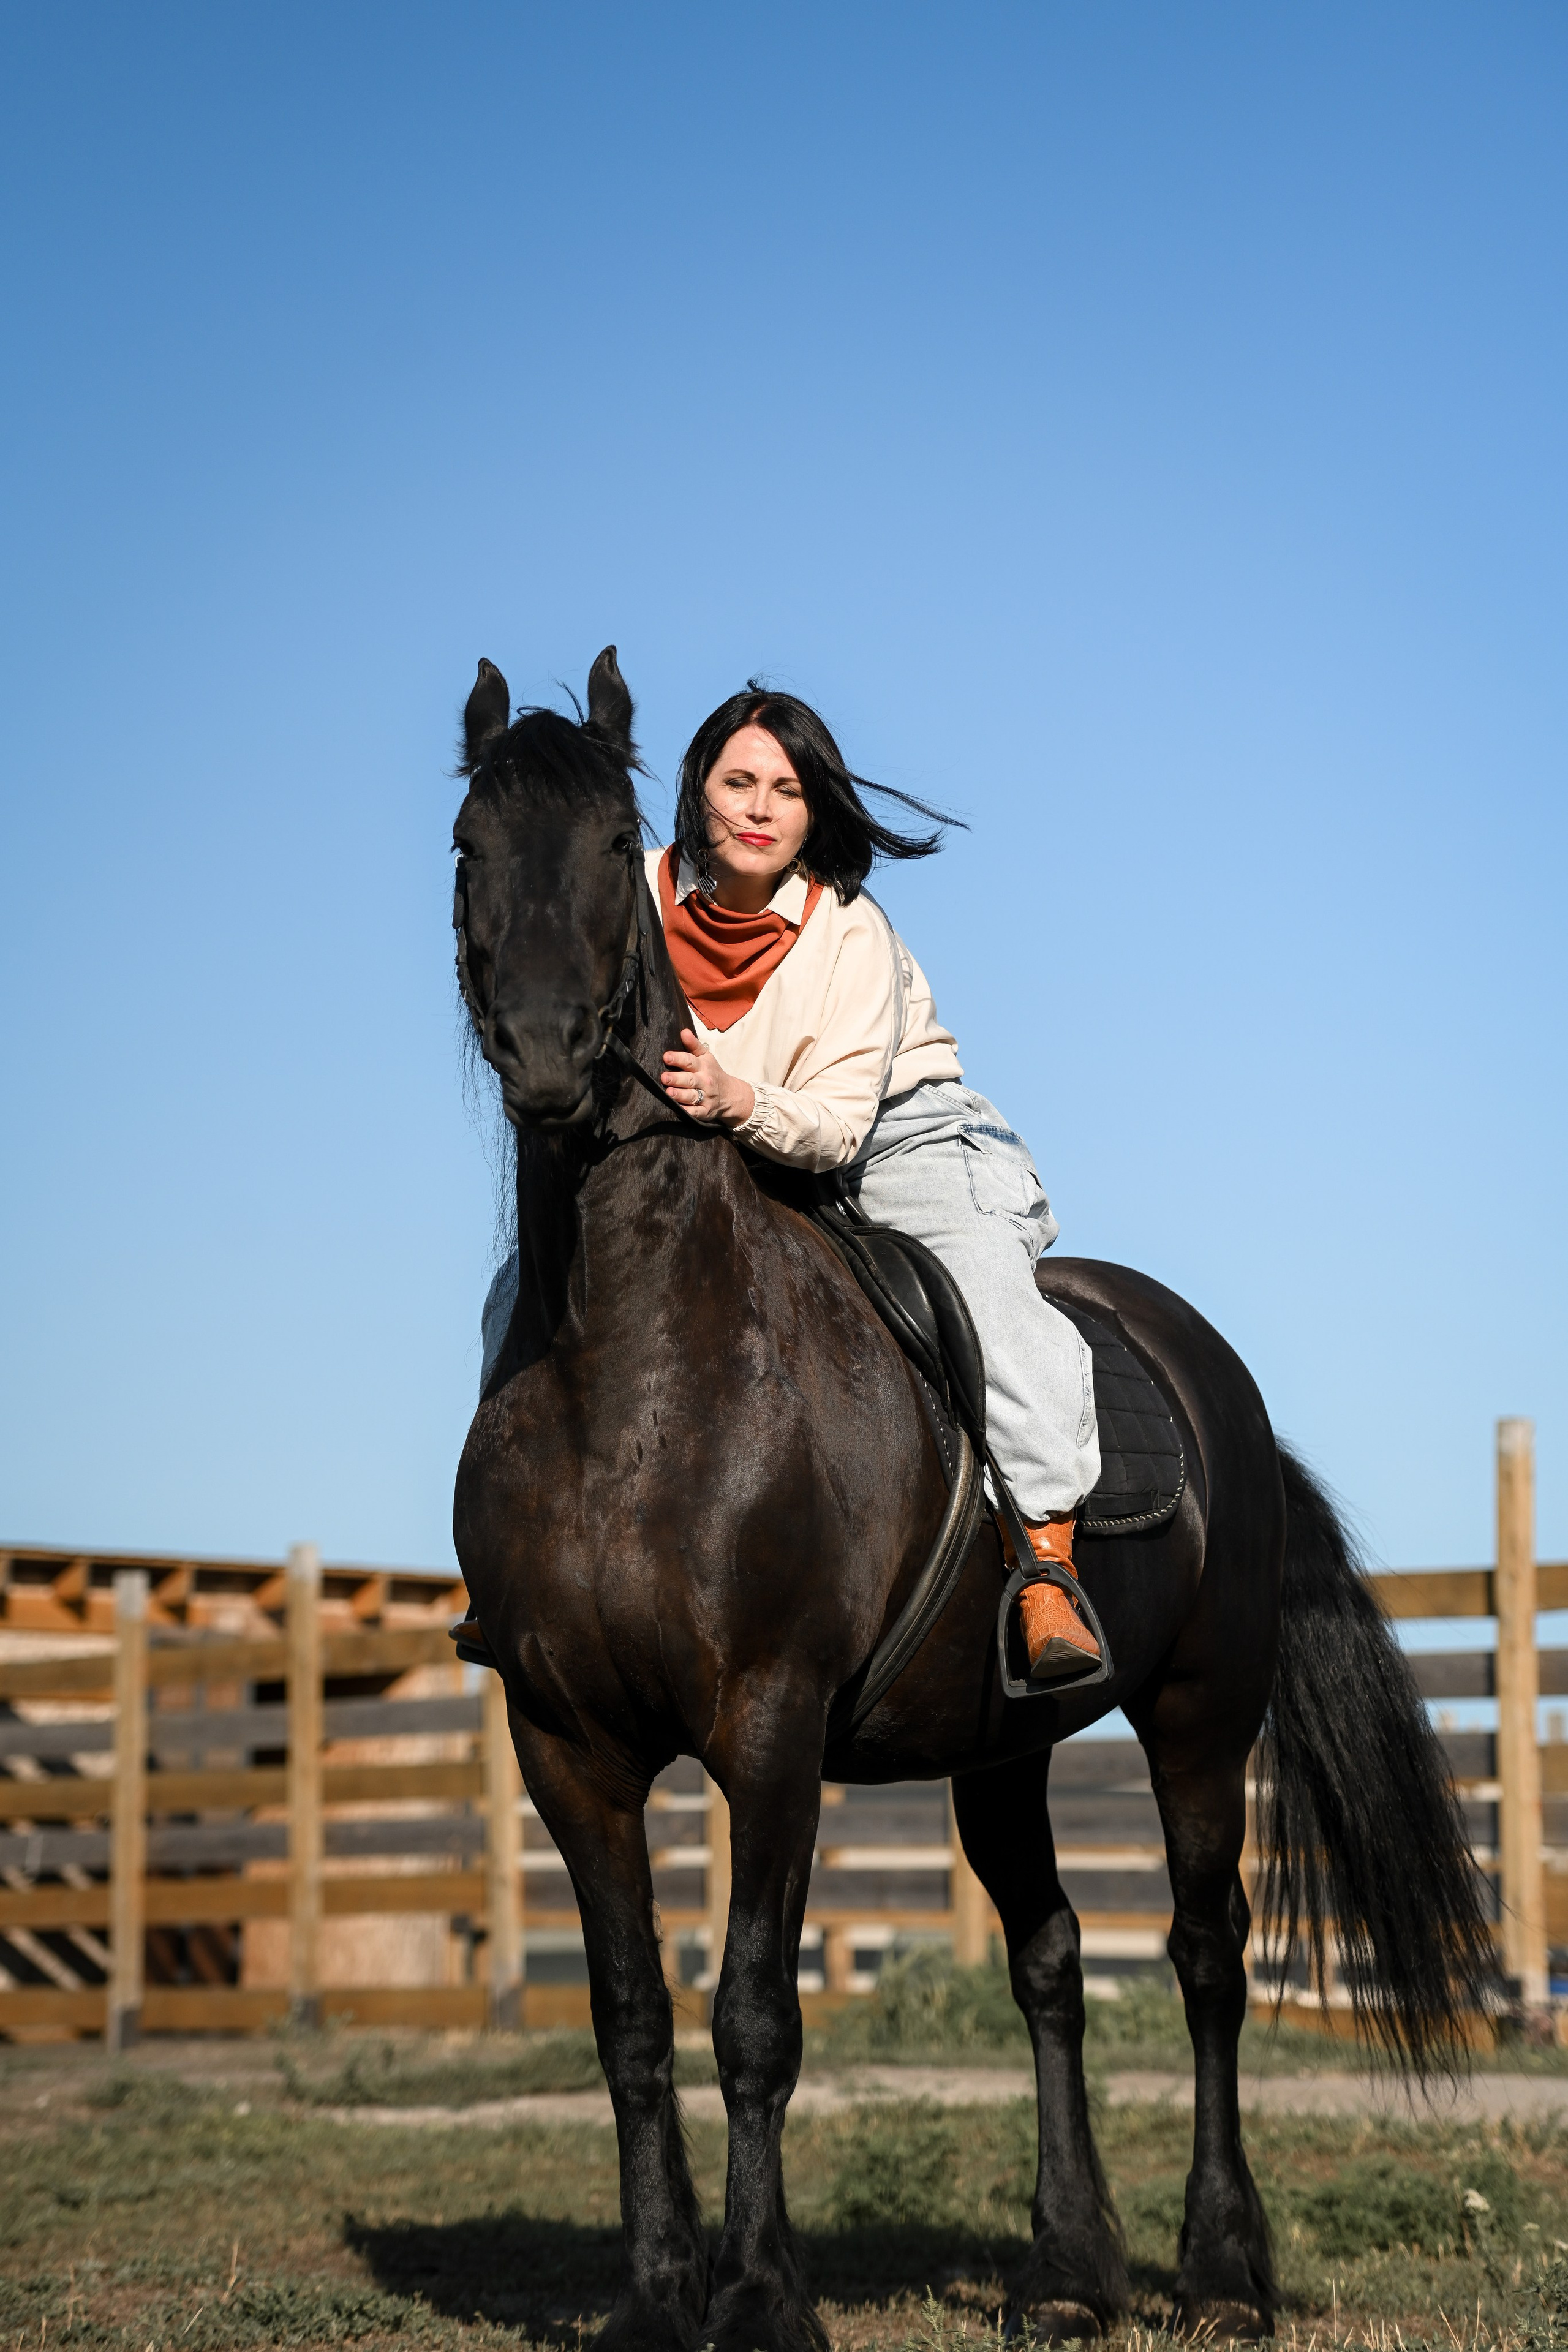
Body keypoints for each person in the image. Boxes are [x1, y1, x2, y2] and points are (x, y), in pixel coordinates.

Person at [650, 687, 1102, 1685]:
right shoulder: (637, 895)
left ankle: (1047, 1565)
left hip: (896, 1137)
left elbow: (839, 1122)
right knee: (533, 1275)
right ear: (698, 789)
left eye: (789, 790)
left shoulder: (849, 929)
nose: (761, 809)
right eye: (740, 783)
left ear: (814, 815)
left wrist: (733, 1097)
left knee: (984, 1287)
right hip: (718, 1140)